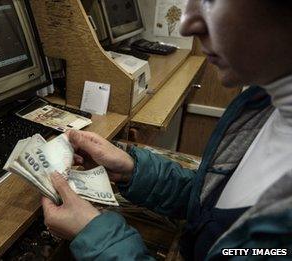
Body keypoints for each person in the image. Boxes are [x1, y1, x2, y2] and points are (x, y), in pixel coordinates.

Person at [41, 0, 292, 259]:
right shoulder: (262, 104)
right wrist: (133, 170)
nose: (187, 26)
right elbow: (209, 201)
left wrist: (95, 236)